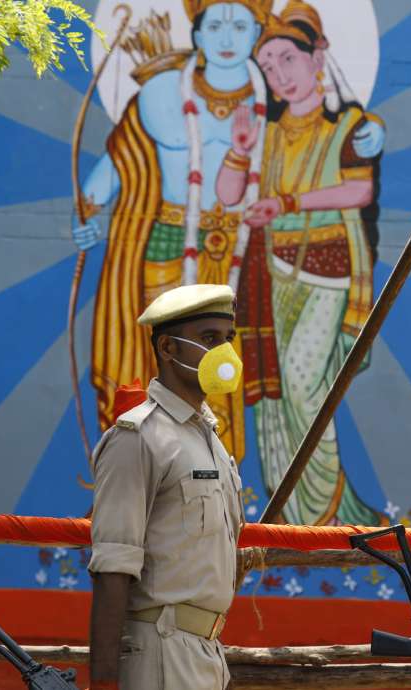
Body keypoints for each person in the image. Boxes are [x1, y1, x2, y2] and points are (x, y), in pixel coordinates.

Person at [76, 0, 274, 461]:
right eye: (216, 26)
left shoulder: (276, 100)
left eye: (240, 26)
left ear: (256, 36)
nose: (228, 37)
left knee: (222, 361)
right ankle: (143, 460)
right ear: (198, 36)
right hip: (166, 238)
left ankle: (219, 470)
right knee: (161, 353)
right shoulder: (161, 90)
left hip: (236, 254)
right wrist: (87, 208)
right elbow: (123, 157)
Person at [213, 0, 385, 526]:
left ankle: (323, 517)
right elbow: (227, 195)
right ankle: (290, 515)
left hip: (328, 271)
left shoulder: (353, 124)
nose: (278, 75)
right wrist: (240, 151)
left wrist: (286, 204)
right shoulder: (266, 128)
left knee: (307, 384)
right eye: (268, 66)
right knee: (277, 396)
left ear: (318, 56)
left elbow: (359, 190)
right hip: (272, 271)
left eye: (287, 59)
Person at [86, 284, 245, 690]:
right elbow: (113, 565)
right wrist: (104, 682)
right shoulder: (139, 437)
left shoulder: (208, 438)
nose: (224, 352)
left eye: (228, 339)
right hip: (159, 650)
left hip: (207, 652)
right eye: (209, 339)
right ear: (168, 349)